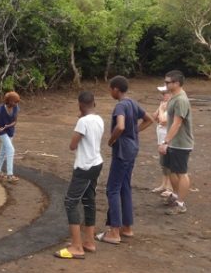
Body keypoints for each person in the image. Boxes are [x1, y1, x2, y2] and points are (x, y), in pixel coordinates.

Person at [96, 76, 153, 245]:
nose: (110, 92)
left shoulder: (120, 105)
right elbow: (149, 119)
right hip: (132, 149)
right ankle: (127, 227)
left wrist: (112, 140)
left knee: (112, 189)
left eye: (110, 89)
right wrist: (133, 131)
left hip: (122, 151)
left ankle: (114, 231)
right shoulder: (133, 103)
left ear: (115, 89)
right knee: (125, 187)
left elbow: (120, 126)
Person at [54, 91, 104, 259]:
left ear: (80, 106)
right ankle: (89, 242)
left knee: (70, 203)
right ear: (94, 104)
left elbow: (72, 145)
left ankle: (76, 246)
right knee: (89, 200)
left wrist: (80, 120)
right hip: (96, 163)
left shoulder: (82, 122)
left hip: (84, 166)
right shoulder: (99, 119)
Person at [159, 70, 194, 215]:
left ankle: (180, 204)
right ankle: (175, 196)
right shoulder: (174, 97)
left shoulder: (181, 100)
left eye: (168, 82)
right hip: (173, 142)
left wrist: (165, 141)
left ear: (176, 83)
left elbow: (177, 123)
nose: (165, 84)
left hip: (181, 143)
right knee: (171, 170)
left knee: (181, 172)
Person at [0, 91, 21, 183]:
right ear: (9, 100)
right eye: (14, 101)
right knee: (11, 150)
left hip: (10, 131)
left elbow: (15, 121)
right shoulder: (0, 109)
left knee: (3, 152)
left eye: (17, 102)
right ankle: (10, 175)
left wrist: (9, 125)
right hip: (1, 131)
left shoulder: (16, 108)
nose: (16, 104)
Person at [152, 85, 173, 197]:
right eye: (162, 94)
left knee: (169, 162)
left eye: (165, 93)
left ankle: (170, 187)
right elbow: (155, 117)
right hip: (161, 136)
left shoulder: (171, 106)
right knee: (163, 162)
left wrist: (160, 109)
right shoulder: (163, 105)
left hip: (167, 137)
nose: (163, 96)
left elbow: (163, 120)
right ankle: (164, 184)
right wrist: (159, 108)